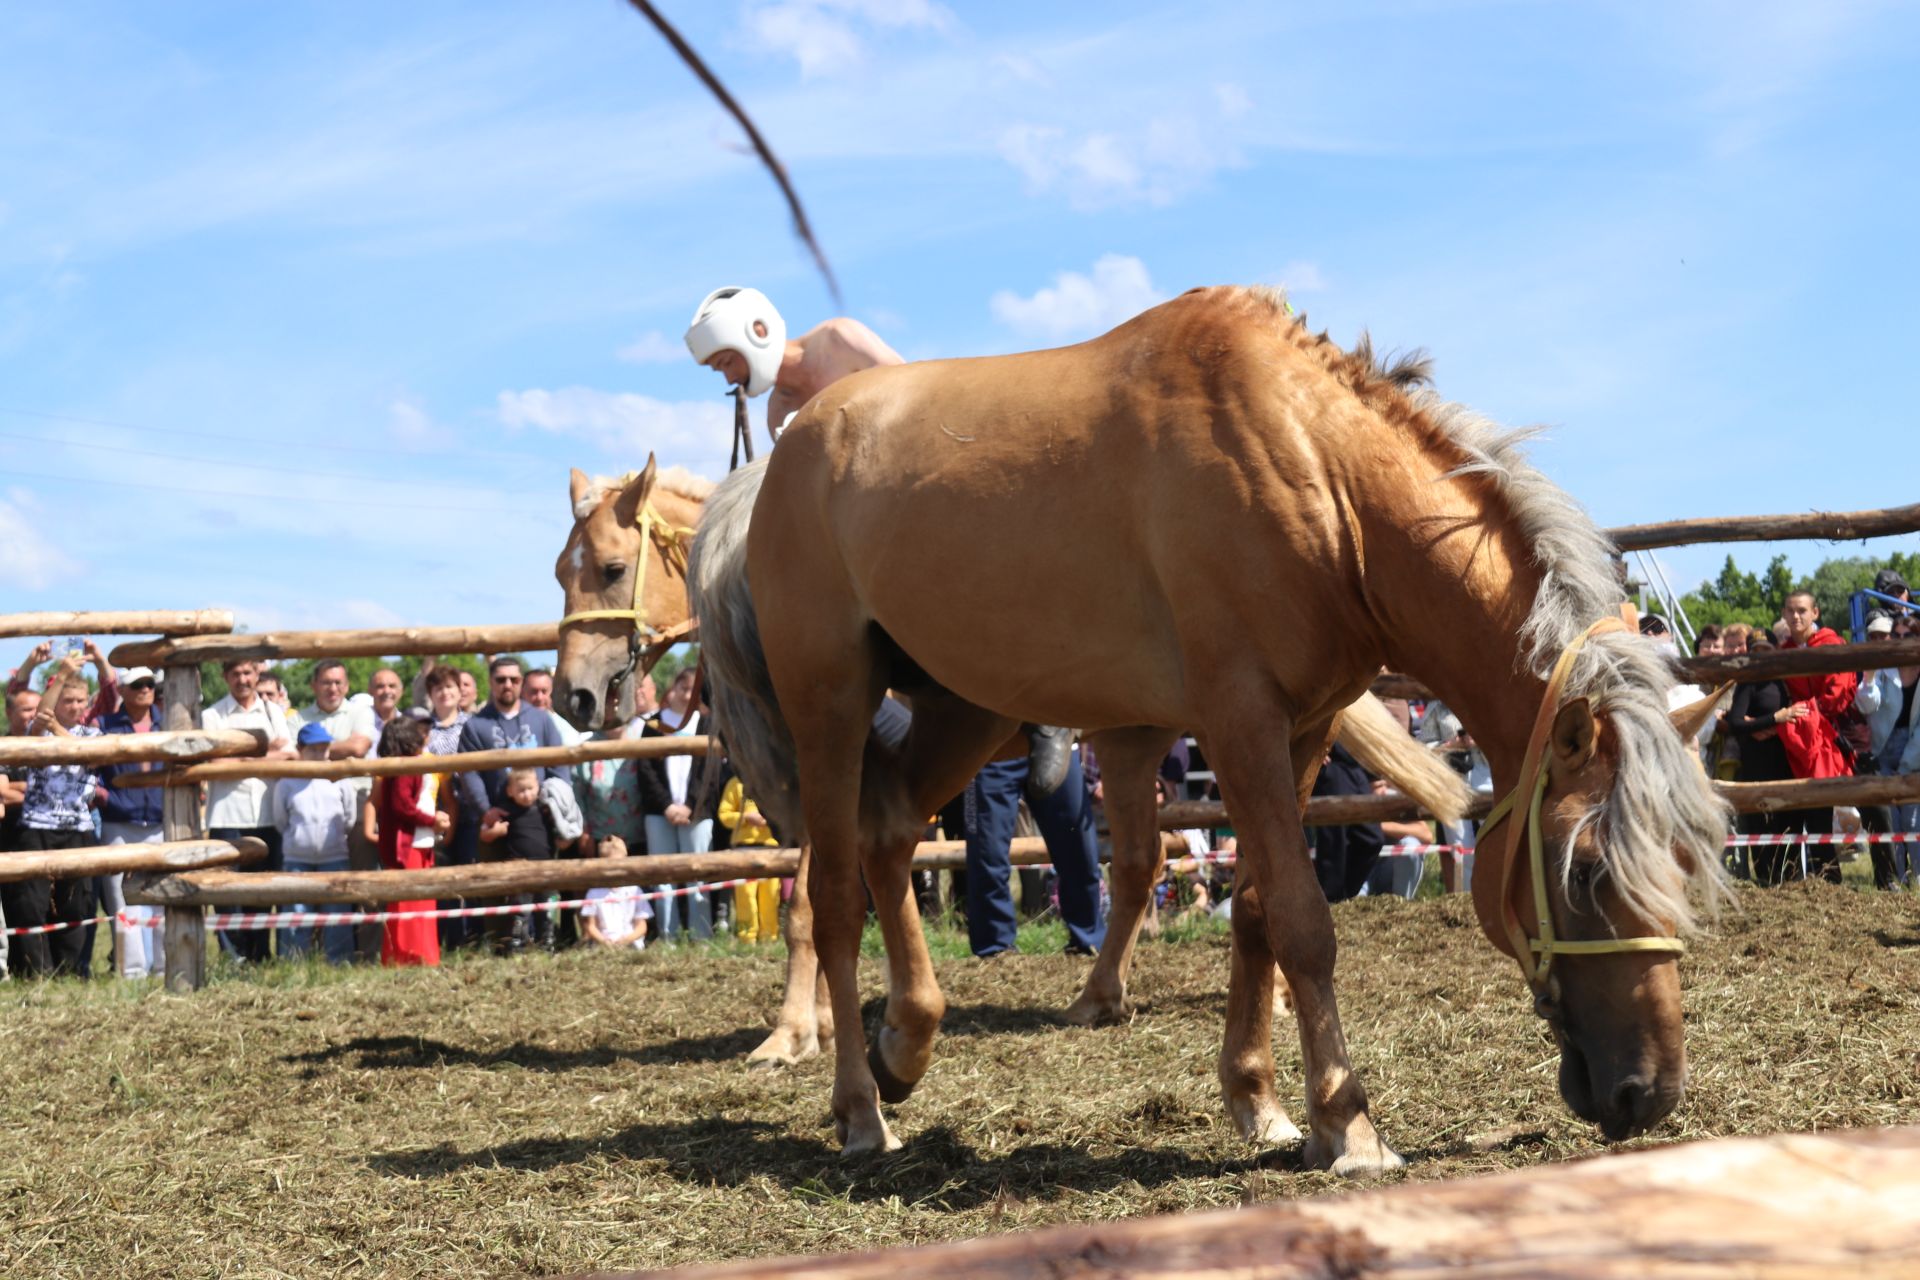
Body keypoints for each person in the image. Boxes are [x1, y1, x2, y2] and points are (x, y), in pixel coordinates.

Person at [686, 285, 1074, 795]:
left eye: (727, 362)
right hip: (859, 537)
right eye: (720, 369)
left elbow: (922, 402)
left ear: (755, 334)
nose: (730, 378)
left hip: (915, 491)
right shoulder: (778, 413)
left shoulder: (840, 341)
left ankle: (1048, 708)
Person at [962, 739, 1105, 959]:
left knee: (1080, 853)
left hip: (1056, 743)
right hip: (990, 749)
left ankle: (1088, 942)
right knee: (987, 857)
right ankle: (994, 949)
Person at [202, 657, 299, 961]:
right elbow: (215, 764)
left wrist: (240, 758)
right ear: (225, 675)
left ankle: (260, 954)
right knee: (227, 891)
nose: (242, 679)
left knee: (265, 890)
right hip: (227, 815)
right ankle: (234, 956)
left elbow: (291, 755)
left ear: (257, 673)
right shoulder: (212, 715)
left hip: (269, 815)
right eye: (235, 673)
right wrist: (267, 752)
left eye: (247, 672)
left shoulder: (273, 711)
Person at [10, 660, 101, 977]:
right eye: (67, 700)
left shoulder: (93, 733)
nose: (75, 706)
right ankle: (38, 973)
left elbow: (87, 755)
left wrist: (58, 730)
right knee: (31, 904)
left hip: (78, 827)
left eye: (80, 700)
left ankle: (71, 971)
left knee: (76, 904)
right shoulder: (36, 733)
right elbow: (38, 719)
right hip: (37, 826)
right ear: (56, 702)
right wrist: (61, 675)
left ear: (88, 702)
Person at [1776, 590, 1857, 882]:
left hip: (1831, 735)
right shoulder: (1781, 652)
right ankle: (1800, 877)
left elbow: (1837, 695)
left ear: (1815, 613)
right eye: (1790, 610)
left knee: (1831, 808)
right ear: (1784, 614)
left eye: (1801, 610)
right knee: (1801, 808)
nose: (1796, 616)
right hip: (1797, 737)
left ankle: (1835, 878)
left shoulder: (1832, 645)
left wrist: (1807, 709)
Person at [95, 666, 167, 979]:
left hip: (161, 824)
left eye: (150, 683)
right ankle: (132, 972)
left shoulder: (169, 724)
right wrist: (105, 797)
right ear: (123, 690)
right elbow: (88, 769)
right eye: (137, 684)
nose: (145, 688)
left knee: (164, 897)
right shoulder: (105, 725)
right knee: (122, 902)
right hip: (118, 825)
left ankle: (165, 966)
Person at [269, 723, 360, 964]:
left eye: (324, 748)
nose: (320, 754)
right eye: (313, 750)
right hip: (297, 857)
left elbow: (349, 818)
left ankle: (340, 961)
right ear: (300, 749)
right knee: (296, 915)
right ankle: (294, 962)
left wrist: (336, 838)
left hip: (335, 855)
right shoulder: (287, 783)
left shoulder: (340, 780)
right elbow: (281, 820)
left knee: (337, 914)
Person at [638, 668, 716, 940]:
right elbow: (645, 768)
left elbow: (710, 770)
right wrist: (667, 806)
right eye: (683, 687)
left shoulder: (706, 723)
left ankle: (701, 935)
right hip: (661, 814)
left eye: (693, 689)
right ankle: (667, 936)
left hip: (698, 812)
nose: (686, 694)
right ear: (673, 689)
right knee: (663, 876)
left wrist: (691, 805)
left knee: (698, 874)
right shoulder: (654, 725)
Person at [1722, 631, 1803, 884]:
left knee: (1789, 816)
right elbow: (1735, 721)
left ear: (1775, 650)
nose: (1762, 656)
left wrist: (1770, 723)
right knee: (1759, 817)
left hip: (1785, 755)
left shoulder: (1785, 679)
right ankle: (1765, 876)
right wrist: (1771, 720)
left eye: (1766, 650)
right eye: (1756, 651)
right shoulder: (1749, 681)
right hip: (1757, 757)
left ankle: (1790, 874)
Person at [369, 716, 447, 966]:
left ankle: (421, 955)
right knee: (408, 902)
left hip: (419, 841)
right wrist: (431, 820)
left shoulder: (404, 765)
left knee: (420, 900)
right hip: (409, 844)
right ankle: (406, 957)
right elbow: (402, 805)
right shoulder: (404, 767)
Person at [1855, 610, 1920, 888]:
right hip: (1882, 748)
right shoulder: (1881, 667)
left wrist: (1906, 765)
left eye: (1910, 636)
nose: (1902, 640)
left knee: (1913, 817)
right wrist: (1868, 679)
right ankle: (1894, 878)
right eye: (1897, 635)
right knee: (1889, 819)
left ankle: (1917, 879)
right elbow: (1867, 705)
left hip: (1916, 747)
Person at [478, 766, 554, 954]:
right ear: (510, 791)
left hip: (547, 866)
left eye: (530, 788)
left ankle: (548, 943)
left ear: (538, 786)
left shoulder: (545, 809)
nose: (527, 794)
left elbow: (559, 831)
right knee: (521, 910)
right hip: (518, 866)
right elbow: (484, 835)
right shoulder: (506, 810)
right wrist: (495, 832)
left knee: (547, 908)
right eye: (521, 790)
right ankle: (517, 945)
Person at [717, 764, 780, 943]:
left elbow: (785, 811)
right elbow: (724, 815)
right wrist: (745, 818)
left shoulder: (773, 784)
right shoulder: (735, 783)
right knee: (745, 896)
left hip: (770, 847)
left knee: (771, 895)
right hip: (743, 848)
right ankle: (747, 938)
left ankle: (770, 938)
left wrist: (770, 819)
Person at [579, 835, 653, 951]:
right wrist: (604, 941)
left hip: (631, 945)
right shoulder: (593, 893)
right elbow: (590, 925)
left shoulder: (635, 890)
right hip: (603, 947)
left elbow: (642, 925)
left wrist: (627, 940)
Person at [523, 669, 585, 747]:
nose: (539, 698)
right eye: (533, 692)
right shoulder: (511, 724)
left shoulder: (566, 725)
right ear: (522, 693)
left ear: (552, 693)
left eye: (544, 691)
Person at [364, 667, 405, 757]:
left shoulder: (408, 726)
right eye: (380, 686)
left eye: (392, 686)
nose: (386, 691)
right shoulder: (359, 722)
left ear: (401, 691)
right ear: (370, 691)